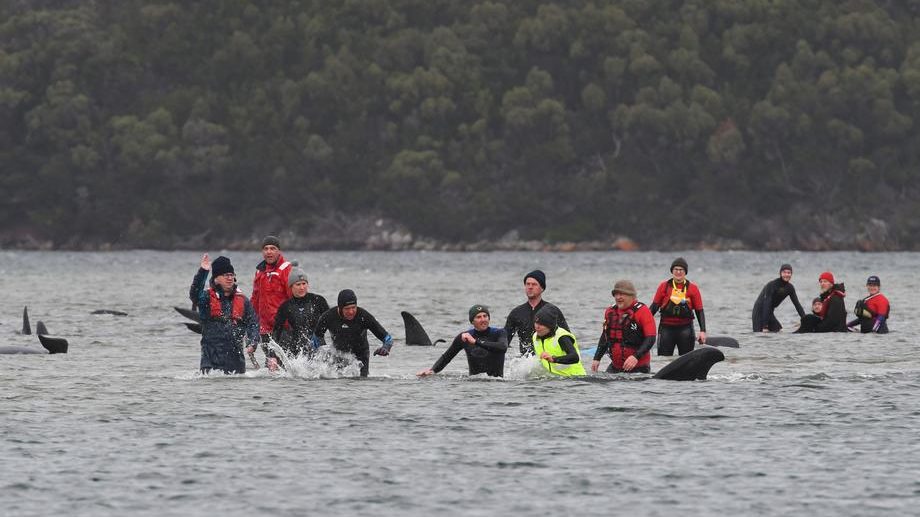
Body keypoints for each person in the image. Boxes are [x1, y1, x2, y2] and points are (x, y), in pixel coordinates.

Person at [189, 254, 259, 374]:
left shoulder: (243, 301)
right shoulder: (206, 298)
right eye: (225, 275)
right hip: (210, 364)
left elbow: (253, 324)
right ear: (216, 278)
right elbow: (194, 295)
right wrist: (203, 271)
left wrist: (252, 342)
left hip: (237, 365)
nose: (229, 278)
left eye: (231, 275)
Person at [312, 289, 393, 377]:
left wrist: (386, 347)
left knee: (360, 382)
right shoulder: (328, 316)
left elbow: (387, 338)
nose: (351, 312)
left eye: (353, 307)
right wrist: (323, 354)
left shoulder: (364, 316)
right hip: (338, 355)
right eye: (347, 309)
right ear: (340, 307)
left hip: (361, 357)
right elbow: (317, 337)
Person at [417, 305, 509, 378]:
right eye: (479, 317)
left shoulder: (499, 333)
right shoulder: (464, 337)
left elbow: (503, 347)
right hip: (473, 383)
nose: (483, 320)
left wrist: (476, 342)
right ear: (472, 321)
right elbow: (447, 357)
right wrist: (432, 371)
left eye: (485, 316)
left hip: (497, 383)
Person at [269, 268, 330, 368]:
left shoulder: (318, 301)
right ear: (291, 287)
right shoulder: (286, 306)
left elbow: (332, 323)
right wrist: (272, 356)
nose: (302, 287)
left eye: (304, 284)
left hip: (318, 348)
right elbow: (276, 332)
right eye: (298, 284)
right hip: (297, 352)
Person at [592, 280, 656, 374]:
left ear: (632, 296)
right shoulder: (610, 312)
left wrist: (636, 357)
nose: (618, 297)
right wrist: (597, 358)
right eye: (616, 294)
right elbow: (604, 337)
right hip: (615, 367)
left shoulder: (643, 311)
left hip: (638, 368)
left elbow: (651, 339)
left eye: (622, 294)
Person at [504, 270, 569, 356]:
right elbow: (504, 342)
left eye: (534, 284)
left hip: (549, 358)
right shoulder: (516, 313)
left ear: (542, 288)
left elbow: (567, 337)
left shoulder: (552, 311)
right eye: (527, 284)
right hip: (526, 362)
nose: (530, 287)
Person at [649, 257, 706, 356]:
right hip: (666, 329)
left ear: (685, 272)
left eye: (681, 270)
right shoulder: (664, 286)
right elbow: (654, 308)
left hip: (686, 330)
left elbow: (699, 310)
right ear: (672, 271)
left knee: (686, 361)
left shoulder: (693, 288)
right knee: (663, 360)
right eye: (676, 269)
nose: (678, 272)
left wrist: (703, 331)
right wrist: (643, 327)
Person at [251, 235, 294, 346]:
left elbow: (294, 298)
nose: (269, 252)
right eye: (266, 249)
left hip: (284, 327)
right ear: (262, 251)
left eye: (272, 248)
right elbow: (255, 299)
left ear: (278, 251)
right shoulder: (259, 272)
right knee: (270, 362)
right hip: (264, 328)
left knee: (278, 361)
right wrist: (250, 322)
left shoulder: (286, 269)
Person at [752, 264, 807, 332]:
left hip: (769, 311)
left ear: (791, 274)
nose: (786, 274)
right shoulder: (772, 285)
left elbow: (797, 305)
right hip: (759, 310)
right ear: (780, 273)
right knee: (760, 334)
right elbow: (767, 304)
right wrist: (765, 326)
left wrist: (805, 320)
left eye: (789, 272)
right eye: (784, 272)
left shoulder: (790, 288)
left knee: (778, 331)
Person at [532, 307, 585, 377]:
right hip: (555, 380)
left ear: (550, 326)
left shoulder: (562, 336)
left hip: (576, 379)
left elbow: (575, 357)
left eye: (541, 324)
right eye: (536, 323)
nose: (537, 327)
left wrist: (553, 359)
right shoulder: (535, 336)